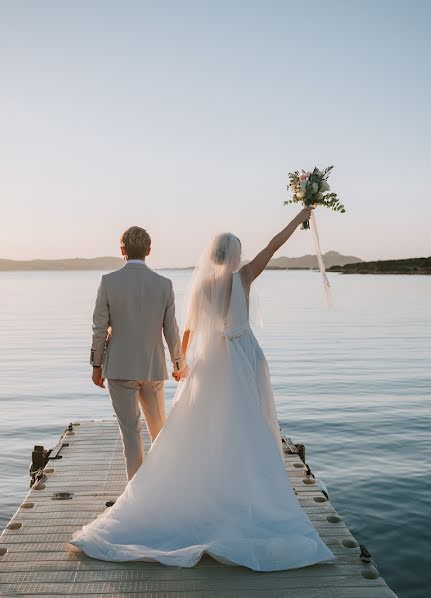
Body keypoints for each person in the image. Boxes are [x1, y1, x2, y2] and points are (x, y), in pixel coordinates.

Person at [71, 205, 335, 571]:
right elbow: (274, 246)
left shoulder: (202, 287)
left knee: (200, 427)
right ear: (236, 255)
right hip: (242, 359)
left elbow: (189, 328)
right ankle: (240, 493)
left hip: (210, 362)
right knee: (247, 428)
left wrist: (182, 365)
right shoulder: (242, 278)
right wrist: (300, 216)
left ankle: (156, 490)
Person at [90, 225, 186, 480]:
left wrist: (96, 365)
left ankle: (136, 493)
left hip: (119, 368)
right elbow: (172, 331)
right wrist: (178, 365)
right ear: (149, 250)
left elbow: (99, 329)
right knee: (159, 432)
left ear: (122, 250)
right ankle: (162, 484)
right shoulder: (164, 285)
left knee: (130, 434)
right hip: (152, 367)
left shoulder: (109, 282)